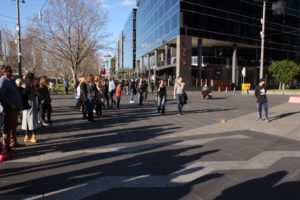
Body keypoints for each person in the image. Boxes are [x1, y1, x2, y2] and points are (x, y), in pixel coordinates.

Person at [0, 66, 23, 159]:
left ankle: (14, 142)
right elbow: (1, 94)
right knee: (8, 126)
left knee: (13, 125)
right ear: (4, 72)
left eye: (11, 70)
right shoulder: (3, 80)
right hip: (10, 108)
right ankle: (6, 145)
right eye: (9, 71)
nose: (11, 72)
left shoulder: (11, 80)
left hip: (15, 108)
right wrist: (10, 104)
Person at [22, 72, 40, 143]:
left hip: (25, 104)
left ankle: (26, 135)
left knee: (25, 120)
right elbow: (33, 94)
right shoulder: (31, 85)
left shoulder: (23, 84)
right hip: (31, 103)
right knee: (32, 120)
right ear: (32, 78)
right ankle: (33, 136)